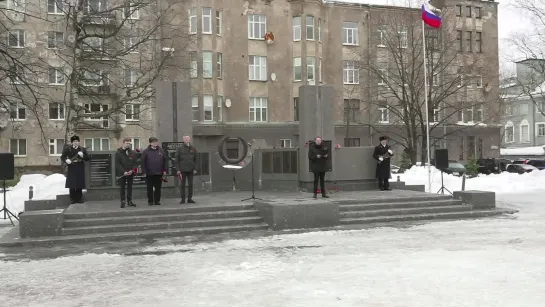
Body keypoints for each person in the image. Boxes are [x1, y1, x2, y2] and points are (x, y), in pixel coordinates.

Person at [60, 135, 90, 204]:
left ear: (79, 142)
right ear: (72, 142)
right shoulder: (68, 149)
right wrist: (66, 160)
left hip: (80, 166)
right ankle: (72, 199)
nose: (76, 143)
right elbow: (62, 156)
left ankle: (79, 198)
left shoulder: (82, 149)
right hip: (72, 166)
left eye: (77, 141)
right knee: (72, 183)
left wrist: (82, 155)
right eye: (74, 141)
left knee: (79, 183)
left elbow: (88, 158)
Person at [141, 137, 167, 206]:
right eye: (153, 142)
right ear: (150, 143)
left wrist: (164, 170)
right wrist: (144, 172)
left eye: (156, 142)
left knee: (158, 188)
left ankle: (157, 201)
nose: (155, 143)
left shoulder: (161, 150)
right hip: (149, 173)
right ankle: (150, 201)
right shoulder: (146, 151)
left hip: (159, 173)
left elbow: (165, 161)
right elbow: (143, 162)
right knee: (149, 188)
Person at [175, 135, 198, 204]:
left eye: (187, 138)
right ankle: (183, 199)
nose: (186, 139)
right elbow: (177, 160)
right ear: (183, 140)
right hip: (182, 170)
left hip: (191, 169)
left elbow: (196, 159)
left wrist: (195, 168)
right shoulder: (179, 148)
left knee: (190, 184)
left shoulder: (193, 148)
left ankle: (190, 198)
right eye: (185, 138)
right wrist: (178, 170)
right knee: (182, 185)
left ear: (189, 139)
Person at [115, 138, 137, 208]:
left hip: (130, 173)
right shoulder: (118, 152)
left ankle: (129, 201)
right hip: (122, 173)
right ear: (123, 143)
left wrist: (132, 170)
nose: (128, 144)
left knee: (130, 187)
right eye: (127, 143)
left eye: (129, 143)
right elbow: (117, 164)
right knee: (122, 187)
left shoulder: (132, 152)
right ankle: (123, 201)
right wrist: (123, 171)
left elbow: (135, 163)